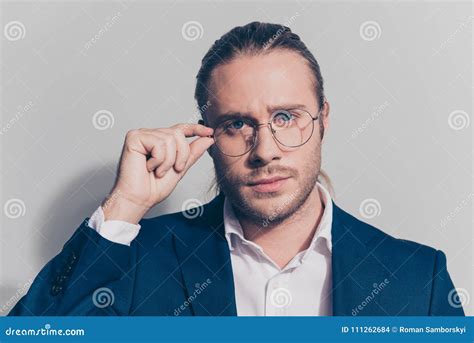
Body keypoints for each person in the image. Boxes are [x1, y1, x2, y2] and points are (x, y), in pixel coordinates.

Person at [10, 21, 463, 316]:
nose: (264, 149)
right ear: (207, 136)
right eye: (237, 124)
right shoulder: (137, 261)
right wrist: (124, 206)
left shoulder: (416, 279)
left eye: (285, 117)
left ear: (323, 120)